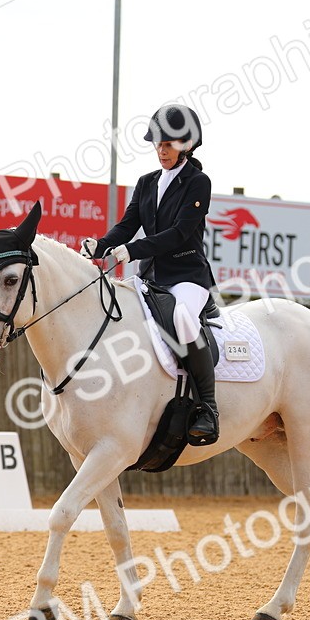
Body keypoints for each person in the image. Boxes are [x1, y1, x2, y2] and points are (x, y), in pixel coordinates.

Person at [82, 104, 218, 446]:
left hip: (187, 275)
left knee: (184, 320)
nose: (162, 150)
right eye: (158, 143)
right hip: (150, 278)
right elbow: (127, 227)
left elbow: (180, 233)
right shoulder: (146, 184)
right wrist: (99, 246)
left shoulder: (198, 183)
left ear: (187, 144)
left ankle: (208, 407)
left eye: (169, 143)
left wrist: (134, 251)